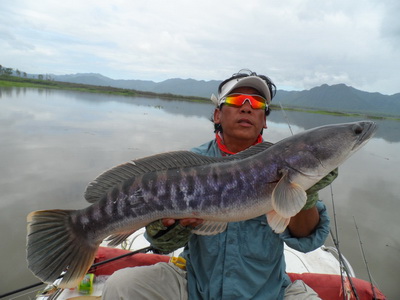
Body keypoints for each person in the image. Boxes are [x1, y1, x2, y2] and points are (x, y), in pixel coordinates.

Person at [103, 69, 337, 299]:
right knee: (121, 286)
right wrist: (169, 227)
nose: (246, 107)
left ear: (264, 120)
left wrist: (305, 190)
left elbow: (306, 241)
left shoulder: (288, 161)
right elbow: (160, 244)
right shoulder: (187, 166)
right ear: (217, 115)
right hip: (196, 287)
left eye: (256, 103)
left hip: (269, 292)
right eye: (236, 100)